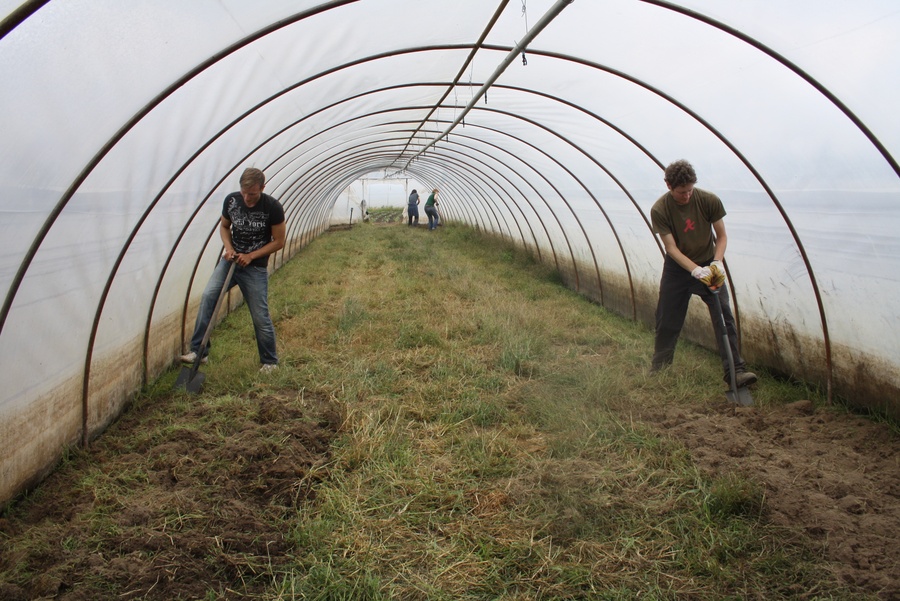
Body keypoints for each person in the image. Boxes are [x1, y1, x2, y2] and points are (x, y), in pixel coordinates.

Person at [649, 159, 757, 388]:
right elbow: (671, 248)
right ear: (668, 185)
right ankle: (660, 370)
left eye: (690, 190)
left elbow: (722, 236)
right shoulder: (660, 209)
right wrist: (694, 270)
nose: (687, 196)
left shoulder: (708, 200)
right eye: (681, 193)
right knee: (667, 319)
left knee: (724, 316)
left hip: (709, 264)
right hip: (678, 270)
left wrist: (716, 263)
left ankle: (735, 372)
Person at [180, 167, 286, 372]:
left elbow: (279, 242)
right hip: (230, 262)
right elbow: (224, 227)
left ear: (262, 188)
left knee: (259, 314)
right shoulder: (231, 201)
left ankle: (269, 361)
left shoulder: (272, 207)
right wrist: (229, 249)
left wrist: (251, 256)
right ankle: (198, 352)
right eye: (244, 192)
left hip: (254, 269)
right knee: (209, 297)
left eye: (253, 194)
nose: (247, 198)